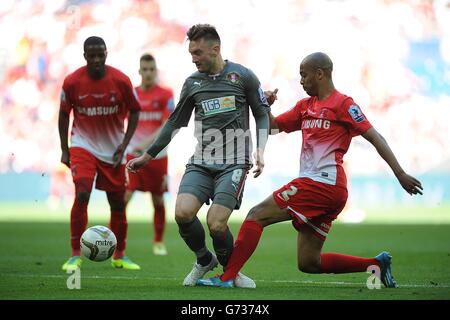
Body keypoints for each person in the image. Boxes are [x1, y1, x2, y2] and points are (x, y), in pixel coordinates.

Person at [197, 52, 423, 288]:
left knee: (256, 215)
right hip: (326, 189)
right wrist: (264, 105)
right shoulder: (305, 106)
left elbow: (375, 137)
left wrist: (400, 174)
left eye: (304, 76)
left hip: (323, 183)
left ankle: (227, 277)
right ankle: (376, 265)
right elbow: (273, 127)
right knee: (308, 262)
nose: (301, 81)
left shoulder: (343, 104)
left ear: (320, 74)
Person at [126, 24, 271, 288]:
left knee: (216, 224)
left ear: (215, 49)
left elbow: (261, 113)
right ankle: (204, 259)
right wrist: (148, 156)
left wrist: (260, 148)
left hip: (234, 161)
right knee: (182, 213)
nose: (193, 58)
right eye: (191, 53)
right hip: (201, 162)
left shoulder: (243, 76)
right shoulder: (192, 83)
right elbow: (174, 123)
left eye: (197, 52)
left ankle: (231, 272)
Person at [59, 36, 142, 271]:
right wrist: (65, 149)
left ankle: (119, 255)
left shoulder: (121, 80)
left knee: (117, 203)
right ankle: (75, 254)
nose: (96, 59)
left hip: (113, 150)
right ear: (84, 56)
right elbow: (64, 114)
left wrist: (124, 146)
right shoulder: (72, 82)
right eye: (91, 55)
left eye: (100, 54)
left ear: (106, 53)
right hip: (82, 145)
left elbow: (135, 111)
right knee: (82, 191)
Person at [125, 53, 175, 256]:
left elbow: (166, 125)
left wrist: (145, 145)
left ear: (156, 71)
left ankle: (158, 241)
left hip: (157, 156)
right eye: (144, 69)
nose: (148, 73)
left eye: (151, 69)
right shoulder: (132, 94)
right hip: (132, 155)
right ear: (139, 71)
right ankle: (116, 242)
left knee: (157, 200)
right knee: (124, 197)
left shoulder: (166, 94)